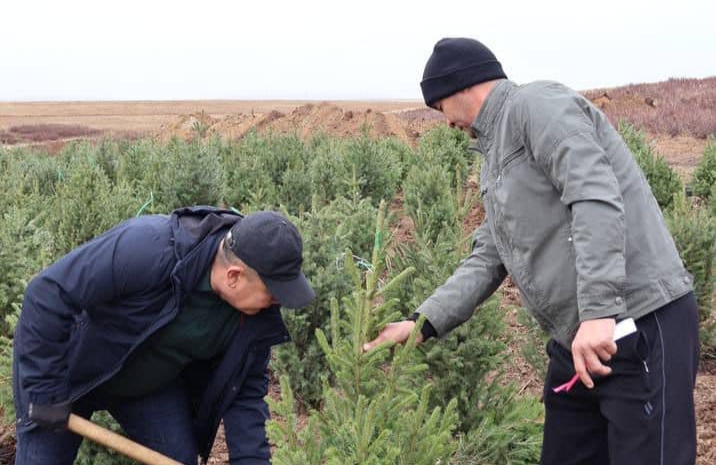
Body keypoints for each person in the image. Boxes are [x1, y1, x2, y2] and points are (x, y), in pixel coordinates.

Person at [364, 38, 699, 465]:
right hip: (579, 341)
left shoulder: (536, 105)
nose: (444, 123)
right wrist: (422, 323)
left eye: (439, 108)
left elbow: (594, 195)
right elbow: (487, 257)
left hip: (638, 320)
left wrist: (598, 313)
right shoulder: (495, 161)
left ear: (460, 87)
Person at [13, 206, 315, 464]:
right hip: (67, 374)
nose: (276, 303)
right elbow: (46, 293)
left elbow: (245, 397)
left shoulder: (254, 319)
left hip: (147, 384)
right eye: (272, 293)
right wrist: (43, 391)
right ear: (234, 276)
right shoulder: (151, 247)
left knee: (177, 456)